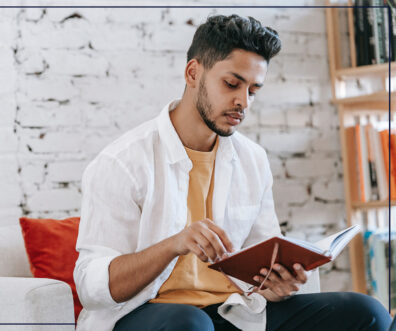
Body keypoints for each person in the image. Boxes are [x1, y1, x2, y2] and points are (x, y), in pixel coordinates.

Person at [73, 14, 391, 331]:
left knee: (367, 312)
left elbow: (262, 261)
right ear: (193, 73)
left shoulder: (252, 159)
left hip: (234, 311)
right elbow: (92, 286)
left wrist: (276, 284)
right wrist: (174, 244)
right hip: (149, 315)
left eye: (253, 90)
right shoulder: (122, 162)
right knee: (190, 323)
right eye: (231, 84)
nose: (243, 102)